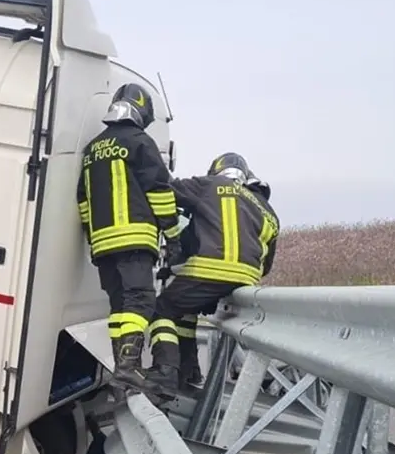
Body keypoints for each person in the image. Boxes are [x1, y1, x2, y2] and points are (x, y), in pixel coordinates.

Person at [145, 152, 280, 399]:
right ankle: (189, 370)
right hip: (245, 280)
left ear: (217, 170)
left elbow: (167, 188)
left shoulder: (209, 186)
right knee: (186, 310)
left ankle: (164, 374)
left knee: (162, 310)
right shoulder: (266, 209)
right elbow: (267, 264)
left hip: (208, 272)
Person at [76, 83, 182, 386]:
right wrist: (173, 236)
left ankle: (122, 370)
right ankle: (128, 368)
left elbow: (83, 200)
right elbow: (160, 191)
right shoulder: (140, 142)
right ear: (141, 111)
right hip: (134, 239)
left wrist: (93, 237)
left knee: (119, 307)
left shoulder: (92, 149)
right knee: (141, 301)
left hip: (103, 246)